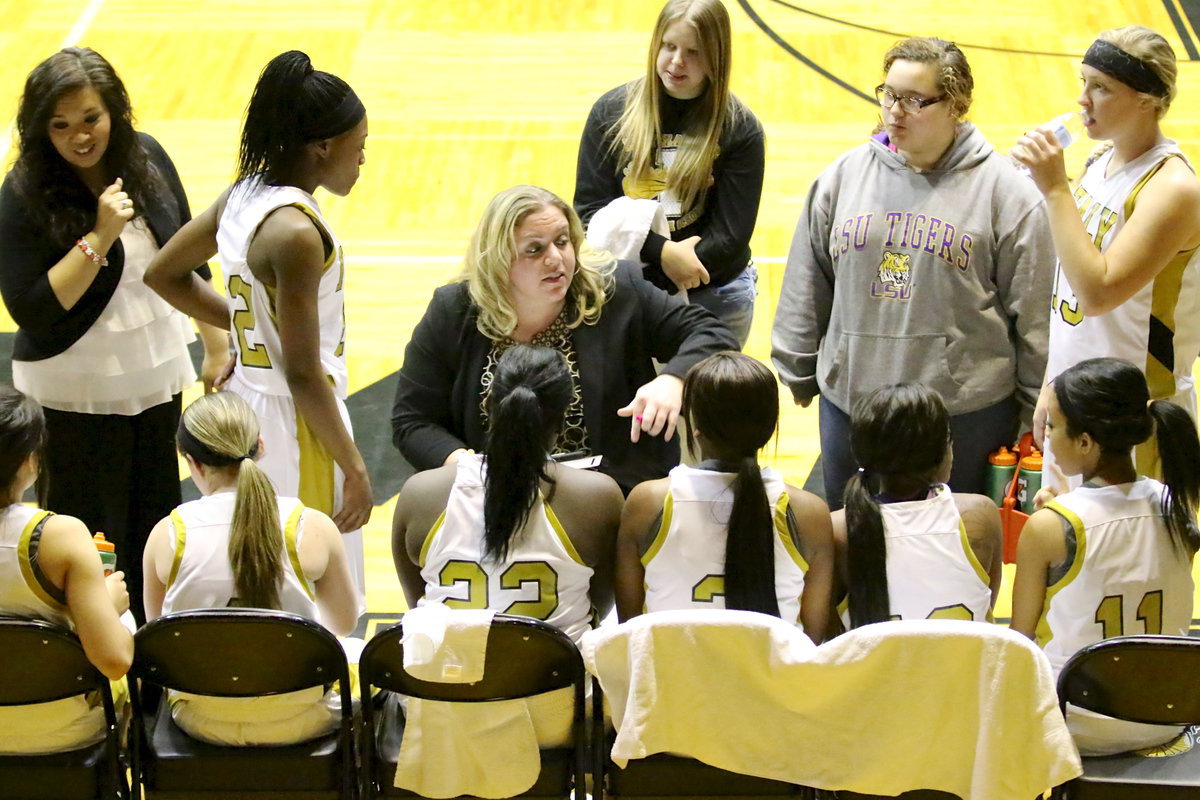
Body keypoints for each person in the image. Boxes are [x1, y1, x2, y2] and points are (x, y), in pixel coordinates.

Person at [771, 37, 1054, 511]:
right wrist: (797, 364)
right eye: (888, 94)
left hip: (963, 416)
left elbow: (1035, 313)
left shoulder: (1007, 194)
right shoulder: (842, 178)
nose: (894, 112)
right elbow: (808, 277)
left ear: (956, 105)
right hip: (852, 406)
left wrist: (1032, 411)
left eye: (914, 100)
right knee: (852, 549)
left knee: (956, 551)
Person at [0, 47, 228, 624]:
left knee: (153, 519)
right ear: (40, 128)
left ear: (115, 113)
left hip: (152, 376)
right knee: (85, 534)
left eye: (90, 119)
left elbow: (187, 253)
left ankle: (151, 651)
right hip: (70, 389)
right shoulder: (23, 191)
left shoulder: (146, 156)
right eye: (61, 125)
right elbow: (33, 309)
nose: (79, 136)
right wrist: (99, 236)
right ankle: (90, 657)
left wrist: (218, 344)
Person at [144, 50, 371, 603]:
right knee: (312, 582)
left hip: (247, 405)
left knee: (260, 570)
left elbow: (163, 274)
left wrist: (248, 332)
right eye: (358, 148)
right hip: (296, 426)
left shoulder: (242, 197)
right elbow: (302, 374)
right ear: (321, 147)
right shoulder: (295, 233)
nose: (362, 160)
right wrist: (356, 467)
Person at [391, 184, 737, 496]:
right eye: (534, 249)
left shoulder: (615, 290)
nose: (556, 259)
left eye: (562, 241)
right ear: (498, 260)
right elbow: (413, 422)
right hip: (495, 500)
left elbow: (714, 335)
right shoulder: (454, 311)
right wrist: (467, 469)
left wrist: (673, 379)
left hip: (615, 497)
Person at [1012, 26, 1200, 481]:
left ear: (1147, 100)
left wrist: (1055, 187)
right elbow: (1070, 298)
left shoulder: (1173, 189)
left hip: (1133, 414)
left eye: (1101, 87)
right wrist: (1051, 387)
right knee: (1066, 546)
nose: (1083, 100)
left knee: (1125, 550)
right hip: (1076, 402)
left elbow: (1098, 293)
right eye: (1083, 82)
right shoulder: (1101, 162)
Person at [143, 391, 358, 746]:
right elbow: (342, 625)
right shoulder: (313, 526)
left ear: (190, 461)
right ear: (260, 446)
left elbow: (162, 633)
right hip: (301, 715)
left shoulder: (166, 533)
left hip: (200, 717)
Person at [1011, 357, 1198, 756]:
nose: (1045, 434)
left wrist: (1055, 515)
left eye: (1053, 426)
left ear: (1084, 442)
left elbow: (1019, 643)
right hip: (1167, 718)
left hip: (1076, 724)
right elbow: (1125, 543)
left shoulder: (1048, 529)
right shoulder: (1178, 508)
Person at [393, 344, 623, 644]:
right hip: (557, 686)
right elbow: (600, 606)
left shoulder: (419, 493)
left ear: (488, 403)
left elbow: (419, 603)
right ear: (564, 416)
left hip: (445, 686)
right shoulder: (598, 497)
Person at [574, 0, 764, 347]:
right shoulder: (610, 112)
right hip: (628, 288)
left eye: (693, 52)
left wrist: (672, 273)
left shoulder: (740, 128)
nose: (677, 62)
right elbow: (588, 212)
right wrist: (661, 253)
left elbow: (730, 237)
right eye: (669, 46)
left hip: (714, 294)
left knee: (709, 401)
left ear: (716, 56)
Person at [615, 352, 834, 643]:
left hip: (670, 684)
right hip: (774, 686)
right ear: (769, 429)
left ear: (696, 428)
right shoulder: (809, 512)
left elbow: (629, 626)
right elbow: (814, 636)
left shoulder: (648, 501)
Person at [0, 386, 132, 754]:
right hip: (59, 731)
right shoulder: (60, 535)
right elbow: (115, 660)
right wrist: (107, 607)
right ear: (29, 460)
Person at [834, 383, 1002, 629]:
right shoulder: (979, 514)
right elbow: (986, 606)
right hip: (962, 667)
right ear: (943, 451)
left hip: (871, 667)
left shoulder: (836, 528)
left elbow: (828, 633)